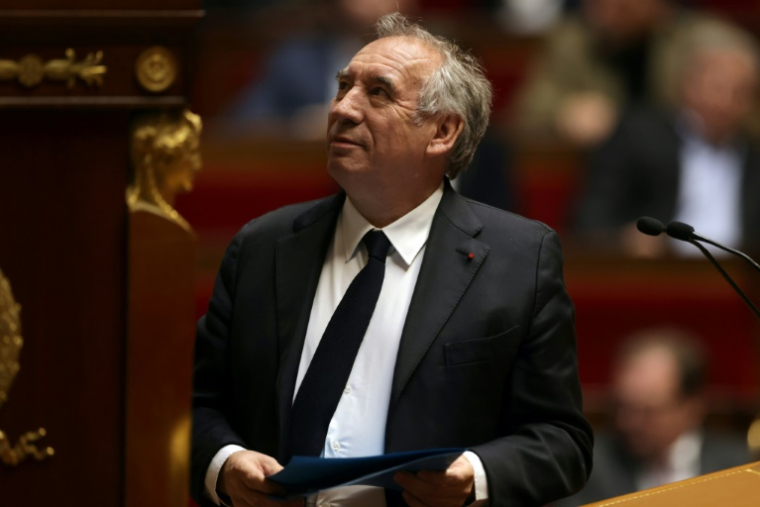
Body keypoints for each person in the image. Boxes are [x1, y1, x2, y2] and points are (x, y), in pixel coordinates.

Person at [191, 13, 593, 507]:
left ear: (442, 131)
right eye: (343, 87)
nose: (342, 108)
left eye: (377, 93)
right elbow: (196, 406)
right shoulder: (262, 245)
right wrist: (224, 463)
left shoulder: (519, 259)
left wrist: (474, 475)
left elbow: (561, 441)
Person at [573, 23, 760, 257]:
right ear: (689, 85)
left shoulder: (754, 155)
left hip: (739, 281)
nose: (726, 102)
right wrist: (624, 238)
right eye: (718, 88)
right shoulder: (639, 138)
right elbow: (590, 219)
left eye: (740, 93)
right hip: (659, 277)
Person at [553, 328, 751, 506]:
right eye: (622, 406)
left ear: (693, 407)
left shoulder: (740, 466)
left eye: (648, 410)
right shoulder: (586, 468)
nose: (628, 422)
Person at [512, 0, 733, 147]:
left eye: (621, 5)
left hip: (680, 172)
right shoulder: (574, 41)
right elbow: (527, 114)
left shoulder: (701, 42)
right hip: (609, 176)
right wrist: (564, 113)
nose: (606, 8)